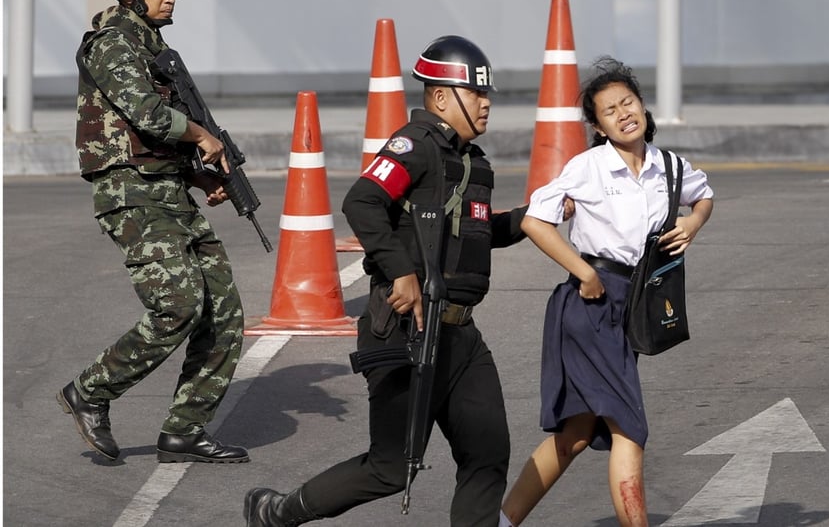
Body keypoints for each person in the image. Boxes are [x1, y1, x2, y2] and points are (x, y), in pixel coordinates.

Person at [243, 35, 529, 526]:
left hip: (461, 335)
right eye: (476, 94)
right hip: (406, 329)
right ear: (440, 98)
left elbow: (483, 234)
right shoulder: (413, 146)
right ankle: (280, 512)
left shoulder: (472, 162)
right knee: (392, 467)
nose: (486, 104)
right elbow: (361, 201)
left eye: (489, 95)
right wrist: (401, 271)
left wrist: (539, 217)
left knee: (487, 455)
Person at [56, 0, 249, 464]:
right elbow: (147, 115)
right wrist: (201, 138)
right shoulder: (113, 42)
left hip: (166, 191)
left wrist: (199, 174)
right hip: (131, 195)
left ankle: (185, 429)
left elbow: (157, 138)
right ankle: (90, 391)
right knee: (180, 305)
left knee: (224, 311)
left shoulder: (154, 47)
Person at [500, 57, 714, 527]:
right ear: (597, 126)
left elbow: (704, 194)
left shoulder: (669, 167)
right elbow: (536, 221)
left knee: (576, 432)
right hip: (590, 303)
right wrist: (583, 271)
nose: (623, 113)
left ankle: (502, 521)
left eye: (628, 102)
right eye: (609, 110)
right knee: (629, 427)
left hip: (633, 303)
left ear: (642, 106)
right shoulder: (588, 168)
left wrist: (692, 222)